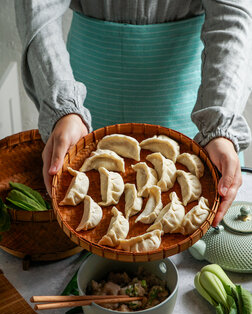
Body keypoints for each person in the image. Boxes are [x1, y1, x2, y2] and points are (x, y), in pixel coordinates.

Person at [15, 1, 252, 227]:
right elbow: (38, 6)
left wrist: (220, 127)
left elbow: (232, 17)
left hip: (196, 118)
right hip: (84, 112)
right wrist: (64, 108)